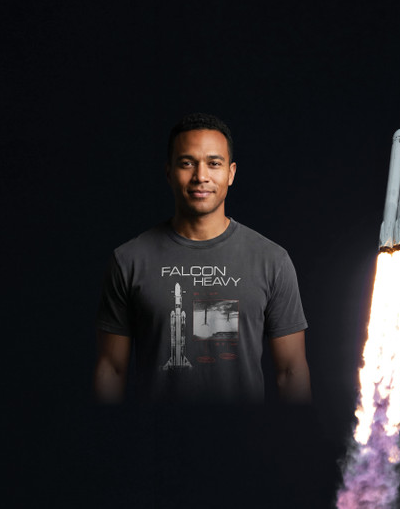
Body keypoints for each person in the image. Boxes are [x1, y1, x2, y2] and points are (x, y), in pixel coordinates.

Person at [92, 113, 310, 403]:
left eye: (214, 163)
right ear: (169, 172)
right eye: (187, 163)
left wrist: (295, 430)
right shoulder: (129, 260)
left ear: (231, 173)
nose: (201, 176)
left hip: (246, 431)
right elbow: (112, 368)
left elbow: (291, 371)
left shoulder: (272, 260)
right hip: (156, 431)